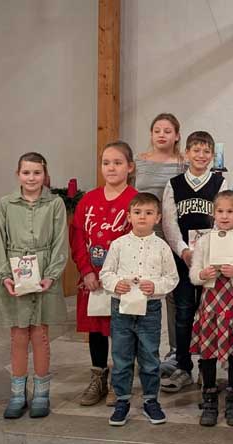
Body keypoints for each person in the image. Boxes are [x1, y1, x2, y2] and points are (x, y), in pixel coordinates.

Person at [0, 152, 69, 420]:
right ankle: (17, 393)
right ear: (17, 174)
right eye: (26, 172)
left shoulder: (55, 204)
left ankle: (42, 393)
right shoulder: (5, 204)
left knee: (40, 335)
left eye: (37, 173)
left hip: (43, 274)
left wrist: (52, 274)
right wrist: (4, 275)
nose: (31, 178)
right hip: (15, 273)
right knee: (18, 336)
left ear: (44, 175)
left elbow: (60, 242)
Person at [99, 193, 180, 427]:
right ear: (129, 217)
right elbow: (106, 273)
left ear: (157, 217)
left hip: (150, 309)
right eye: (137, 213)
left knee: (149, 357)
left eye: (148, 213)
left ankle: (150, 400)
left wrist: (155, 286)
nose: (142, 217)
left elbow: (171, 278)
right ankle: (122, 400)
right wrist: (116, 284)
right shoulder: (119, 245)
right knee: (122, 357)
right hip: (122, 308)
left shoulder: (162, 247)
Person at [70, 141, 138, 407]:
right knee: (97, 331)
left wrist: (120, 276)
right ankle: (98, 376)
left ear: (130, 167)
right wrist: (86, 270)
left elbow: (138, 239)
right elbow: (77, 237)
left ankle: (120, 382)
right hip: (93, 280)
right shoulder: (88, 200)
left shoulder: (134, 200)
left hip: (122, 281)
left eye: (118, 162)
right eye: (106, 163)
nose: (111, 168)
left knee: (121, 331)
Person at [160, 131, 228, 393]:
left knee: (209, 312)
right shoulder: (174, 184)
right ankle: (184, 365)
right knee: (184, 311)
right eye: (196, 150)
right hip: (184, 259)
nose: (201, 156)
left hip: (212, 258)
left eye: (206, 151)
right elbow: (169, 222)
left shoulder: (219, 183)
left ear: (212, 155)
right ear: (186, 153)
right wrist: (183, 250)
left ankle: (207, 368)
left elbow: (224, 217)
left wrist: (211, 250)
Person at [188, 190, 233, 427]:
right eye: (220, 211)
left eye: (230, 211)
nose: (224, 216)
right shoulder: (205, 240)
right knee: (209, 350)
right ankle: (210, 397)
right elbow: (194, 273)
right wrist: (202, 274)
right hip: (211, 305)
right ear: (213, 213)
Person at [135, 113, 185, 377]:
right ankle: (144, 350)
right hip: (142, 231)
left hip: (169, 232)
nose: (162, 135)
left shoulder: (183, 163)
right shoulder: (139, 162)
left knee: (172, 294)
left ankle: (176, 350)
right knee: (140, 289)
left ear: (177, 135)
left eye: (168, 130)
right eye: (157, 130)